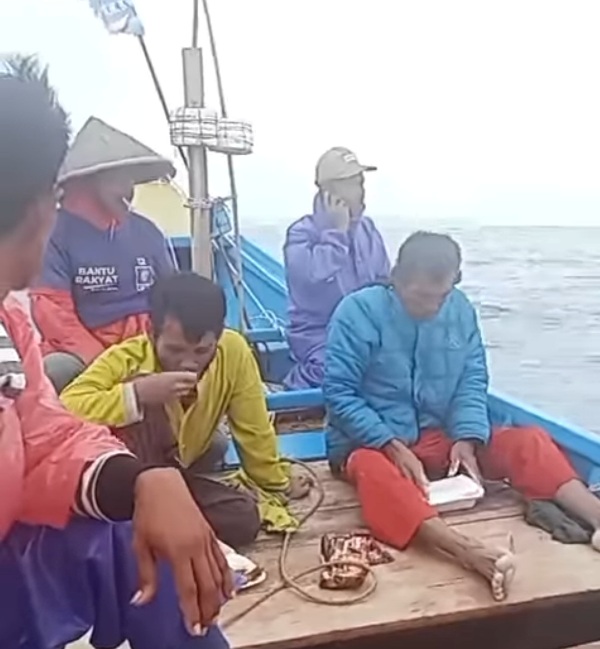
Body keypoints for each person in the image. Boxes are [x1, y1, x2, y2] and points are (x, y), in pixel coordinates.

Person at [0, 54, 231, 649]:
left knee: (138, 525)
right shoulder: (57, 251)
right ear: (45, 203)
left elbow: (44, 431)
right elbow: (58, 321)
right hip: (102, 365)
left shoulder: (9, 318)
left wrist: (139, 481)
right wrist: (128, 368)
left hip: (135, 368)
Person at [323, 230, 600, 601]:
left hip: (442, 437)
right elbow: (339, 395)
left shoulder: (460, 309)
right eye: (422, 297)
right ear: (397, 278)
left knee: (528, 441)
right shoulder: (356, 312)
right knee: (375, 472)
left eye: (443, 295)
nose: (434, 307)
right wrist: (390, 444)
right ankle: (472, 554)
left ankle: (595, 516)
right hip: (369, 443)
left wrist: (468, 438)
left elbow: (472, 379)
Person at [61, 271, 310, 548]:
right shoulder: (127, 358)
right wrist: (138, 394)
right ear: (150, 332)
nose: (188, 363)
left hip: (176, 477)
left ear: (218, 336)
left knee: (242, 517)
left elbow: (254, 429)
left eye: (202, 351)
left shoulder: (234, 351)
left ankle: (143, 531)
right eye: (175, 350)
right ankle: (130, 529)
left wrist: (277, 483)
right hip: (125, 485)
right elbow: (66, 410)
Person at [29, 115, 178, 393]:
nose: (130, 190)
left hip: (147, 348)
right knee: (56, 371)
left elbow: (172, 300)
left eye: (132, 180)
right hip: (85, 354)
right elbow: (54, 315)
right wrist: (110, 367)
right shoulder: (52, 233)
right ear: (89, 181)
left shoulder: (148, 232)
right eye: (120, 179)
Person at [283, 146, 390, 390]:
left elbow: (384, 283)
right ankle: (290, 390)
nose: (360, 191)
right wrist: (336, 233)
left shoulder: (368, 230)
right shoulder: (301, 233)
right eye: (351, 184)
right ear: (328, 191)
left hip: (364, 331)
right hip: (318, 333)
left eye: (360, 182)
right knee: (332, 369)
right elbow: (312, 277)